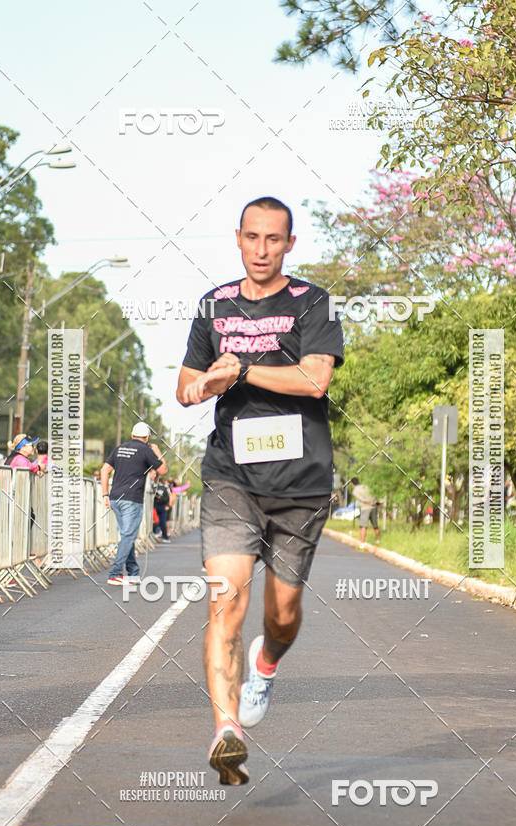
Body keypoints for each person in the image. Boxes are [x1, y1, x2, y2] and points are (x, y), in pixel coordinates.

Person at [177, 196, 344, 786]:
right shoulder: (214, 305)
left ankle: (266, 663)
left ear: (289, 244)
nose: (262, 249)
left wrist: (243, 370)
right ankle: (227, 732)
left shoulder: (313, 302)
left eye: (274, 239)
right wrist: (205, 385)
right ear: (239, 238)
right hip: (232, 478)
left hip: (300, 484)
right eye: (252, 237)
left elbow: (315, 378)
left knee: (282, 613)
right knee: (225, 603)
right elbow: (187, 386)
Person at [100, 422, 167, 585]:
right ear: (147, 437)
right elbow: (163, 470)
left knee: (126, 536)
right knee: (128, 536)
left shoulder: (120, 448)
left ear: (132, 435)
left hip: (115, 497)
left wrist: (105, 494)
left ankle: (133, 572)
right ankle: (115, 573)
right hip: (131, 499)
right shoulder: (145, 450)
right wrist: (157, 452)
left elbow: (104, 470)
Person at [350, 477, 380, 548]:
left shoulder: (355, 490)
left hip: (365, 508)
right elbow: (373, 494)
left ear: (352, 484)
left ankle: (362, 543)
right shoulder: (365, 486)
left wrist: (368, 502)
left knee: (363, 525)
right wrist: (374, 502)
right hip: (373, 507)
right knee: (375, 524)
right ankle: (378, 540)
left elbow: (361, 498)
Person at [153, 477, 171, 542]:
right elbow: (168, 497)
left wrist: (167, 505)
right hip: (159, 506)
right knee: (160, 521)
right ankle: (160, 535)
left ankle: (163, 536)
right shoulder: (155, 486)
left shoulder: (163, 487)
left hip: (160, 506)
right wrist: (167, 505)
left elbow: (168, 497)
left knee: (160, 521)